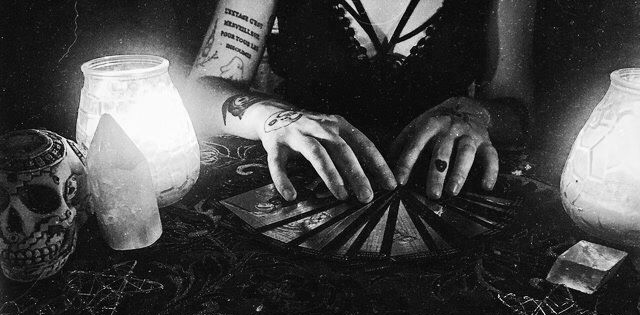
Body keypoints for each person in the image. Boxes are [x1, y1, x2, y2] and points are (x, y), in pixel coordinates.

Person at [185, 0, 535, 204]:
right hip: (303, 193)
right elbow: (200, 92)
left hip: (443, 196)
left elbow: (520, 108)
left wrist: (478, 116)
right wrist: (273, 117)